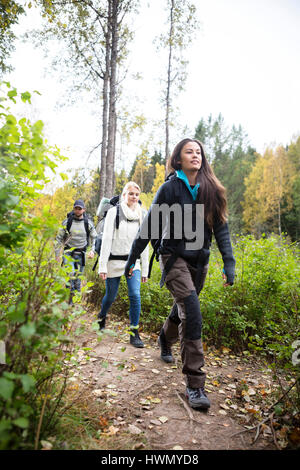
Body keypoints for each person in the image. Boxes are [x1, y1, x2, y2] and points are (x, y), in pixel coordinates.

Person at [125, 138, 236, 410]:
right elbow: (149, 227)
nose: (195, 155)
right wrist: (131, 258)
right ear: (178, 159)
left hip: (200, 262)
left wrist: (228, 262)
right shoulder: (170, 189)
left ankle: (165, 337)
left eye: (199, 152)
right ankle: (195, 385)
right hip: (173, 258)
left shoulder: (212, 189)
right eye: (190, 151)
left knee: (184, 308)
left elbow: (221, 229)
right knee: (193, 312)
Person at [97, 182, 149, 348]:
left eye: (137, 194)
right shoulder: (114, 212)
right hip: (114, 261)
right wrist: (102, 266)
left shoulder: (142, 214)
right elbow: (106, 240)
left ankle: (134, 332)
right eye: (131, 193)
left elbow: (144, 244)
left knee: (135, 294)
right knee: (111, 296)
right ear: (124, 195)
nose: (134, 197)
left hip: (133, 263)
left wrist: (145, 270)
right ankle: (102, 316)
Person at [55, 199, 97, 304]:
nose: (77, 210)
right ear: (73, 209)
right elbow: (58, 239)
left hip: (81, 253)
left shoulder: (88, 223)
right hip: (68, 253)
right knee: (70, 275)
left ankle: (76, 303)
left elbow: (94, 237)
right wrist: (57, 255)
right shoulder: (67, 222)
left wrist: (92, 250)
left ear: (84, 210)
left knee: (78, 279)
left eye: (80, 208)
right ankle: (69, 302)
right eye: (76, 208)